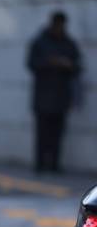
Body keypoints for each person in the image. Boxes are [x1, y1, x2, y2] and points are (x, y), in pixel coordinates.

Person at [26, 11, 82, 174]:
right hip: (43, 95)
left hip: (61, 96)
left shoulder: (69, 43)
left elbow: (78, 65)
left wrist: (68, 65)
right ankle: (40, 164)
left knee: (58, 134)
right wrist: (51, 63)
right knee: (42, 133)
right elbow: (31, 64)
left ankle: (54, 165)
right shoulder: (40, 42)